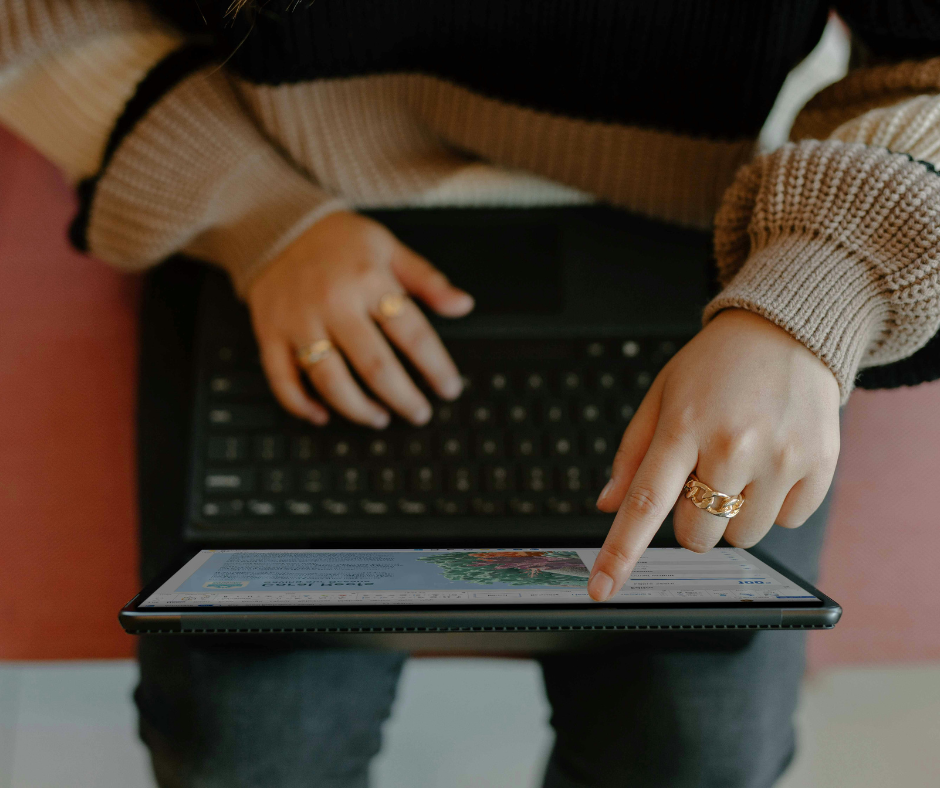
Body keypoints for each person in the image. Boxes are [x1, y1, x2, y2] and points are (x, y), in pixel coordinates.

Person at [3, 1, 939, 786]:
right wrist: (256, 214)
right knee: (245, 745)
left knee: (699, 748)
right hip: (285, 221)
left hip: (706, 260)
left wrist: (814, 290)